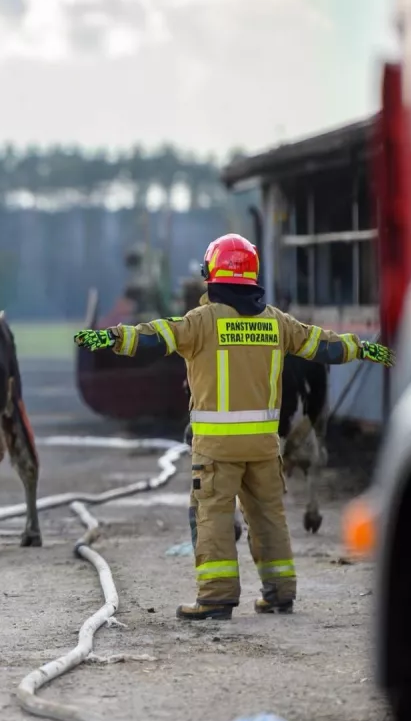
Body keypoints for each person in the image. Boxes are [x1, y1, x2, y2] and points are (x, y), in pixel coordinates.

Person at [74, 233, 394, 621]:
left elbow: (154, 336)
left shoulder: (202, 321)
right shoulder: (277, 322)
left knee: (213, 517)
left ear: (213, 272)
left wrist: (108, 338)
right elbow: (321, 345)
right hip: (263, 446)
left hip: (216, 449)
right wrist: (362, 348)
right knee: (268, 518)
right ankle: (279, 593)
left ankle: (216, 597)